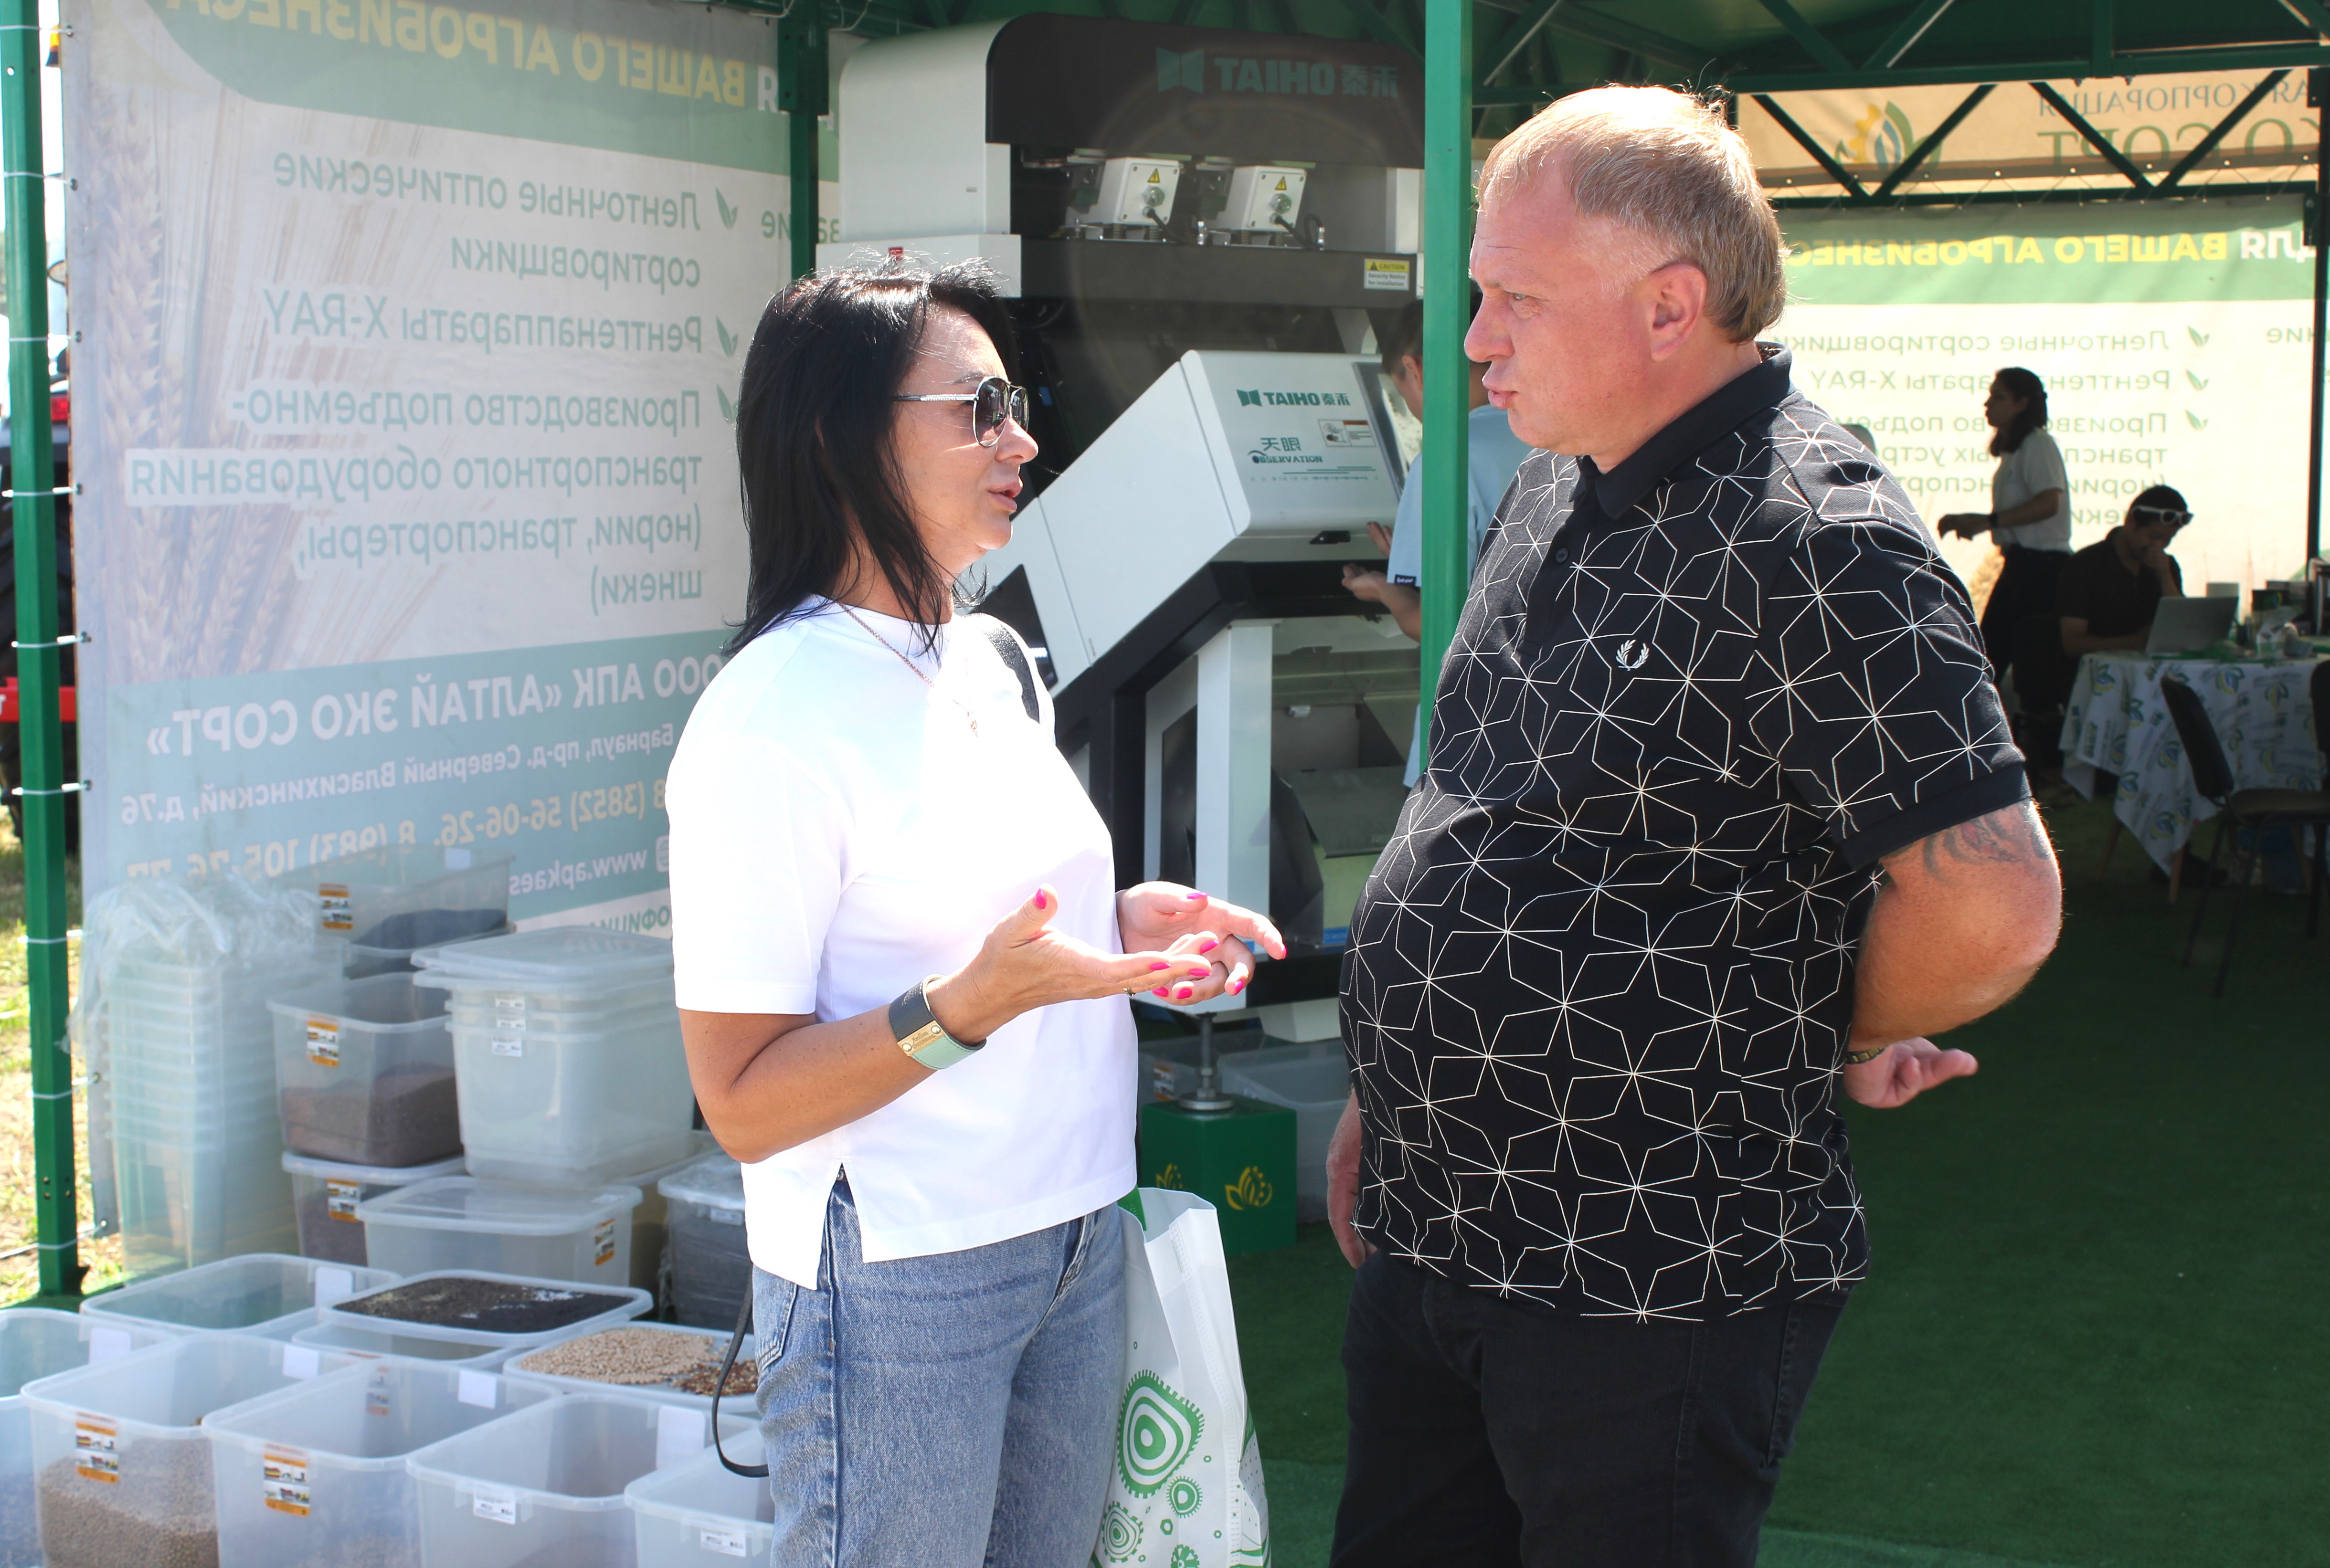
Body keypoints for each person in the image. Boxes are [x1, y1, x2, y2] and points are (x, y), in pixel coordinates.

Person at [1325, 86, 2064, 1568]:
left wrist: (1835, 1025)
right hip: (1438, 1221)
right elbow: (1481, 803)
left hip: (1649, 1266)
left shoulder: (1819, 539)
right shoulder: (1555, 480)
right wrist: (1392, 1090)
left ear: (1671, 305)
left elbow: (1994, 902)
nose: (1474, 341)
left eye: (1516, 299)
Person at [666, 263, 1286, 1568]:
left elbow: (971, 916)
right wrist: (963, 1011)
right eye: (978, 407)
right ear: (838, 440)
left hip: (1074, 1226)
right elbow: (743, 1100)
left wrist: (1118, 924)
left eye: (1017, 402)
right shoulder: (767, 720)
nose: (1022, 441)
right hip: (903, 1269)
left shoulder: (987, 652)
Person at [1344, 299, 1535, 781]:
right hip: (1545, 728)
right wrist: (1420, 556)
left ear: (1415, 370)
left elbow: (1432, 624)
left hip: (1469, 738)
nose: (1411, 408)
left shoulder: (1446, 457)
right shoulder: (1550, 437)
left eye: (1401, 391)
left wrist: (1385, 589)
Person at [1936, 367, 2072, 669]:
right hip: (2022, 564)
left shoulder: (2038, 444)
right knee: (1992, 654)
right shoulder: (2016, 451)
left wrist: (1989, 522)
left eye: (1998, 397)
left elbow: (2049, 504)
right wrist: (1979, 521)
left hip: (2043, 567)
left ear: (2022, 403)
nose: (1987, 404)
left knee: (2015, 660)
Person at [2058, 485, 2189, 653]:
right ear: (2131, 521)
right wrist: (2136, 642)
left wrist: (2165, 577)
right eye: (2154, 536)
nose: (2160, 546)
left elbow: (2183, 629)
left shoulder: (2167, 566)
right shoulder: (2085, 564)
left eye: (2168, 539)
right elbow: (2072, 642)